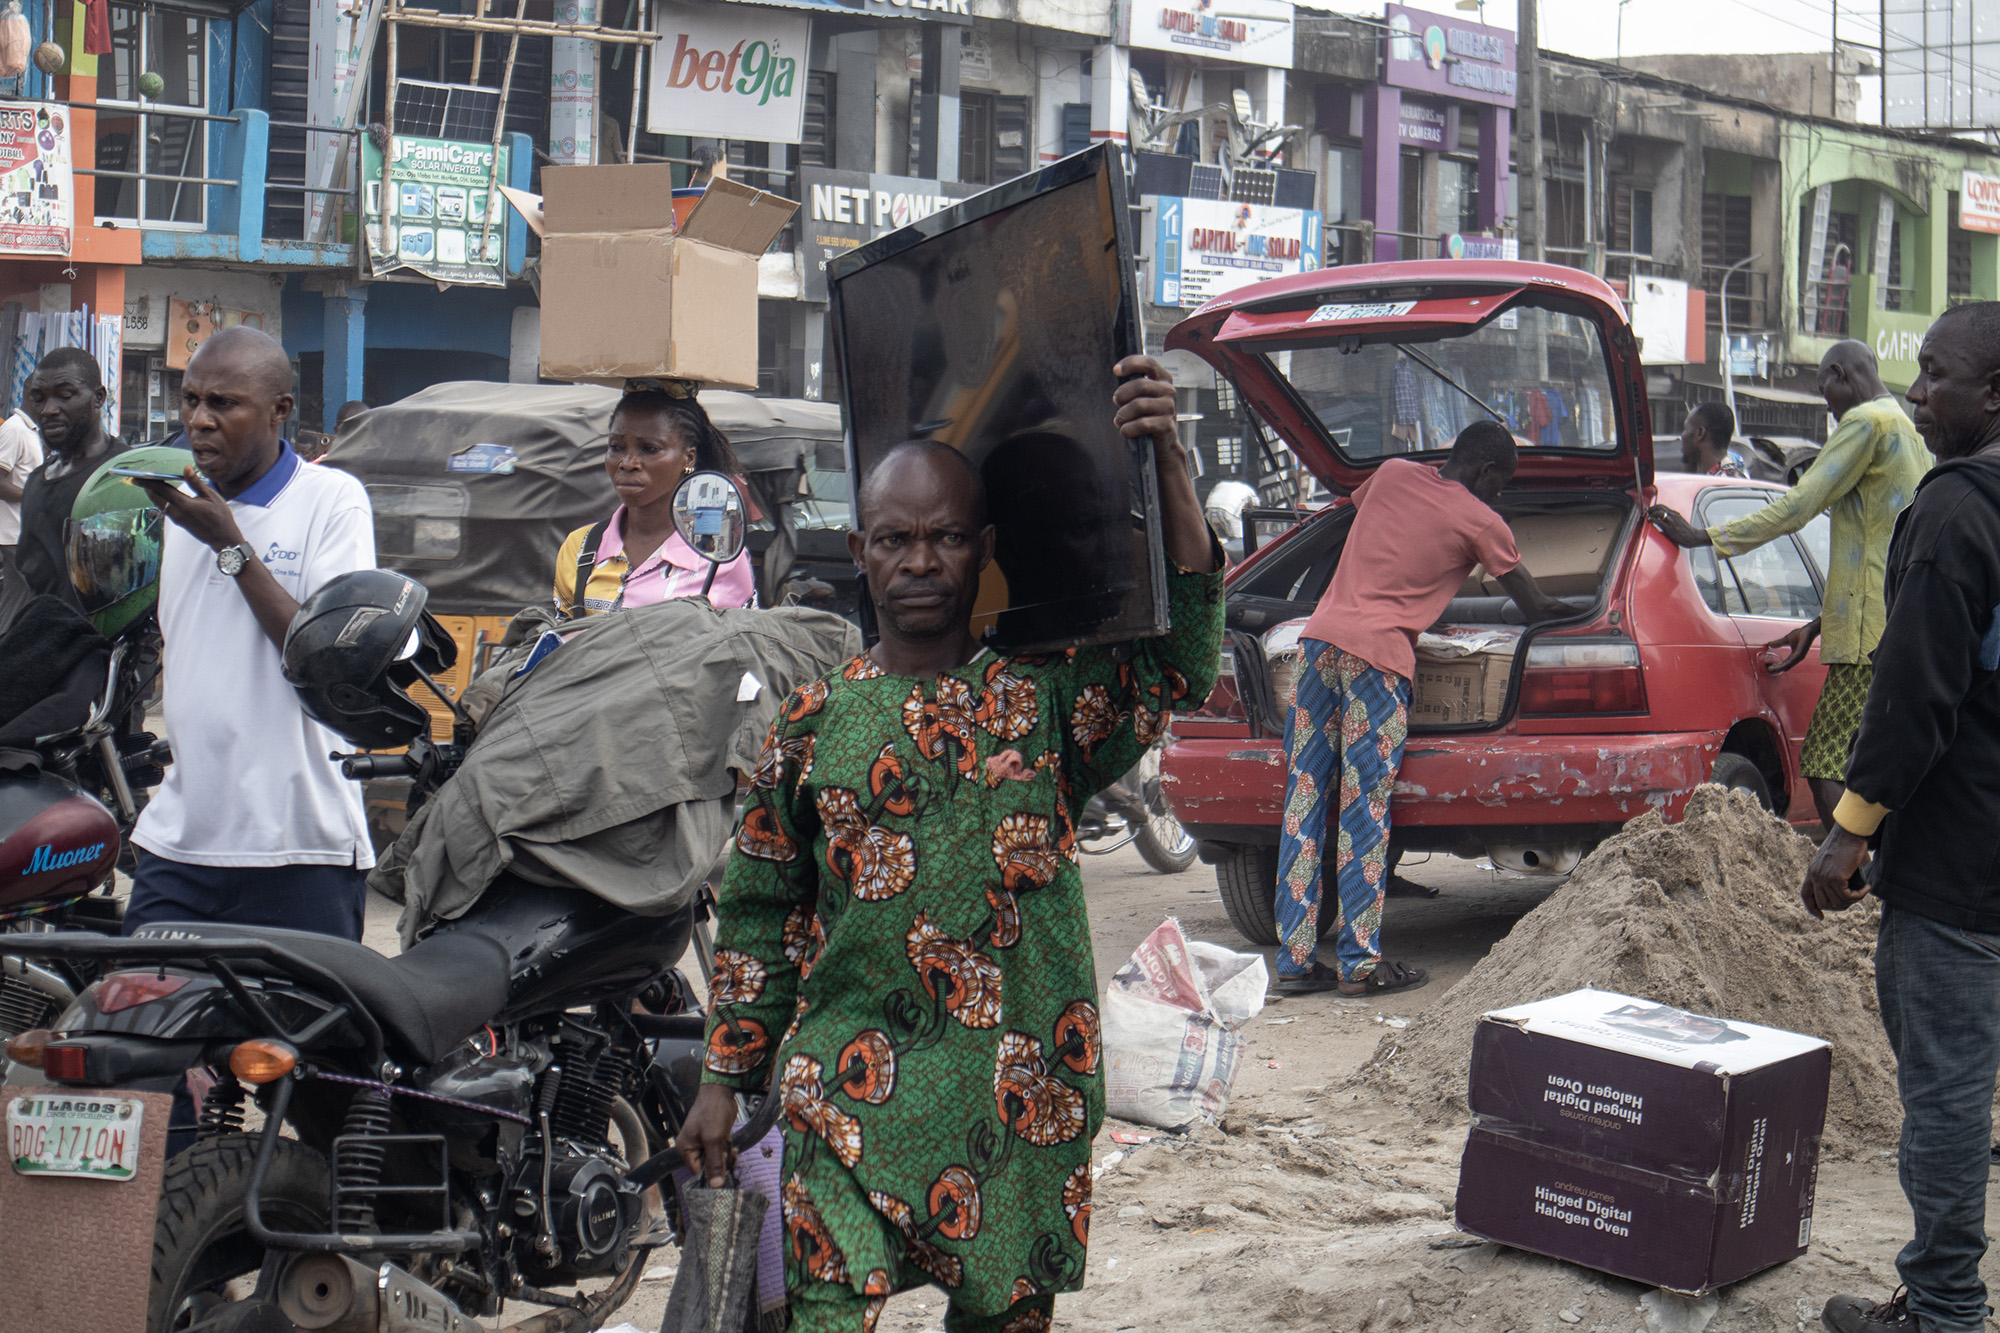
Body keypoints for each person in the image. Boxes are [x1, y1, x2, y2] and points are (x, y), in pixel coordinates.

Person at [675, 357, 1222, 1333]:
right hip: (844, 1094)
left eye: (943, 538)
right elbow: (759, 918)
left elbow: (1178, 661)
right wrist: (723, 1079)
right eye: (894, 539)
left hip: (1012, 1096)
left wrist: (1168, 460)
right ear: (860, 550)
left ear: (983, 549)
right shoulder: (810, 723)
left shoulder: (1044, 702)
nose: (918, 560)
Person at [1805, 301, 2000, 1333]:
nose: (1915, 393)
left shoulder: (1953, 511)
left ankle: (1940, 1309)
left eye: (1932, 375)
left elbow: (1912, 694)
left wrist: (1848, 830)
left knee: (1946, 1097)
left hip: (1958, 866)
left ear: (1992, 393)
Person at [1271, 422, 1570, 996]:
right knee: (1364, 812)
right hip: (1377, 666)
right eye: (1500, 483)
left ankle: (1296, 962)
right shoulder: (1481, 519)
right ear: (1485, 473)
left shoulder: (1389, 474)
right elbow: (1534, 605)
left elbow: (1349, 522)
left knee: (1304, 801)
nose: (1499, 495)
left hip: (1317, 647)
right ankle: (1360, 964)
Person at [125, 326, 378, 941]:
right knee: (129, 1027)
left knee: (303, 1038)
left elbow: (325, 653)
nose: (200, 420)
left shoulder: (331, 499)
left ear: (279, 411)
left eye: (224, 404)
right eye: (191, 400)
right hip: (179, 845)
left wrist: (229, 545)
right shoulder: (170, 504)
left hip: (298, 847)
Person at [1651, 340, 1930, 827]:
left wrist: (1704, 536)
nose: (1827, 404)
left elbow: (1798, 506)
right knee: (1879, 760)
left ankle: (1850, 875)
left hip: (1865, 638)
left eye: (1825, 392)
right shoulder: (1907, 432)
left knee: (1822, 760)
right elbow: (1883, 549)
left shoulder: (1865, 424)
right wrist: (1820, 622)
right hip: (1893, 620)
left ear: (1842, 376)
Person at [553, 384, 757, 617]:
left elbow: (741, 646)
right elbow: (563, 643)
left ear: (688, 458)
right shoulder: (581, 547)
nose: (628, 463)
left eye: (649, 449)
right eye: (616, 447)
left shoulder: (719, 559)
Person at [15, 348, 124, 609]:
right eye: (38, 399)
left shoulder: (124, 475)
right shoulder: (35, 482)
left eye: (65, 396)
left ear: (98, 398)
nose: (48, 410)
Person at [0, 403, 41, 561]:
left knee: (18, 585)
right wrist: (35, 495)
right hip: (12, 532)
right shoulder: (13, 429)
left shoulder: (27, 429)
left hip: (22, 531)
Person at [1681, 401, 1748, 477]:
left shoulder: (1720, 483)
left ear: (1700, 434)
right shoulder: (1732, 477)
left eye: (1686, 429)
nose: (1682, 436)